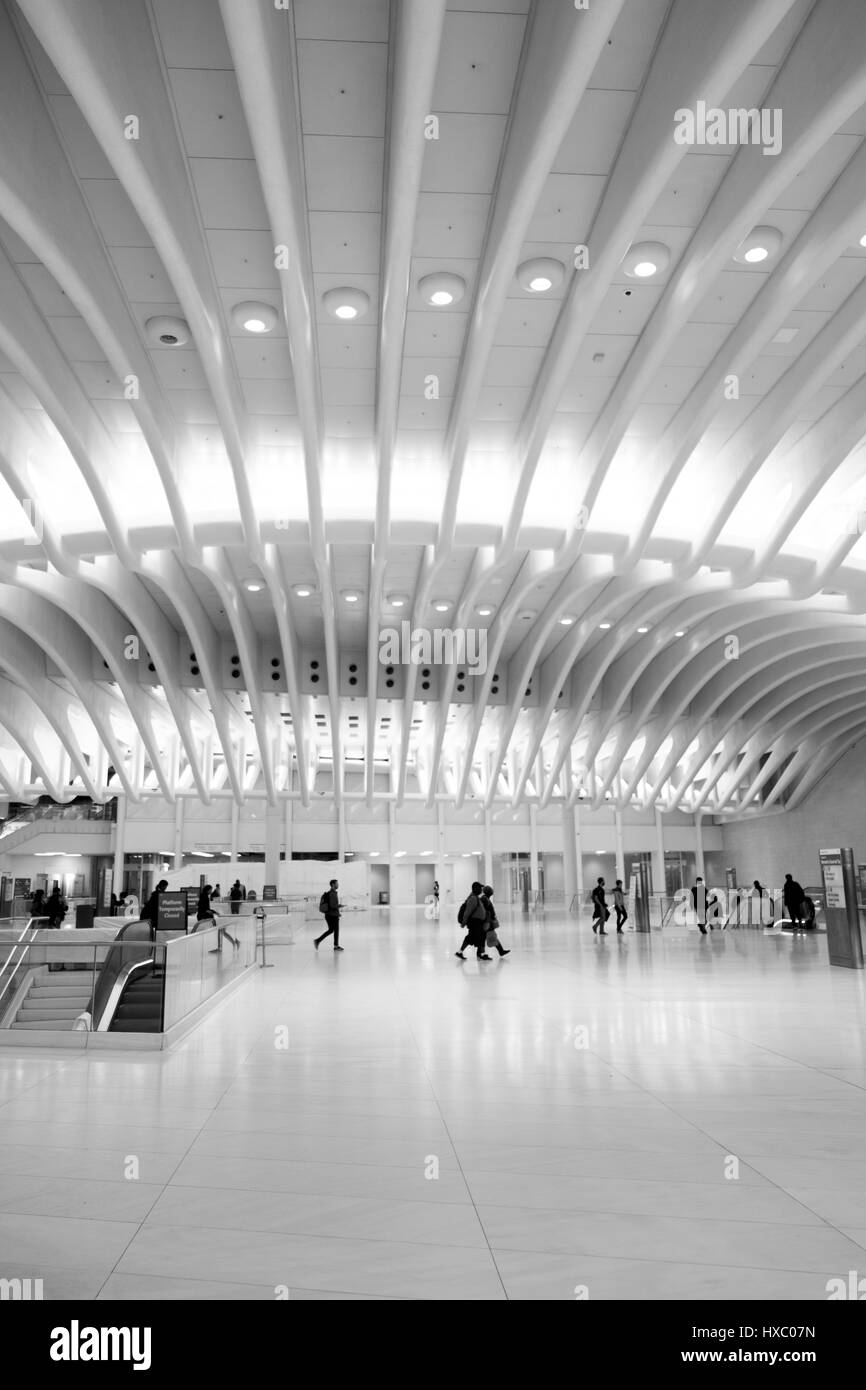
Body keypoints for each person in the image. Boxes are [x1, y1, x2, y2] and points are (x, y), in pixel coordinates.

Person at [456, 882, 492, 959]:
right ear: (476, 889)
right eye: (480, 888)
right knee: (474, 937)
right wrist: (463, 923)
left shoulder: (476, 897)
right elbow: (467, 912)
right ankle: (461, 952)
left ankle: (461, 952)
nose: (481, 890)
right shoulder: (473, 898)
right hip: (475, 922)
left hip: (478, 922)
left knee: (476, 937)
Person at [314, 878, 343, 951]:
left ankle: (317, 941)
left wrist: (338, 907)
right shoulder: (332, 893)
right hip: (332, 915)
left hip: (329, 915)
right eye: (337, 883)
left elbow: (332, 905)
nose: (338, 885)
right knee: (336, 930)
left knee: (331, 930)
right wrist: (339, 907)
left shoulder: (331, 893)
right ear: (333, 884)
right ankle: (336, 946)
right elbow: (333, 906)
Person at [481, 885, 510, 957]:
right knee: (491, 936)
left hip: (487, 921)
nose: (492, 893)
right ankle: (500, 951)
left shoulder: (485, 898)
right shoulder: (484, 899)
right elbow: (486, 910)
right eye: (491, 891)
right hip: (487, 922)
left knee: (488, 937)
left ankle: (500, 951)